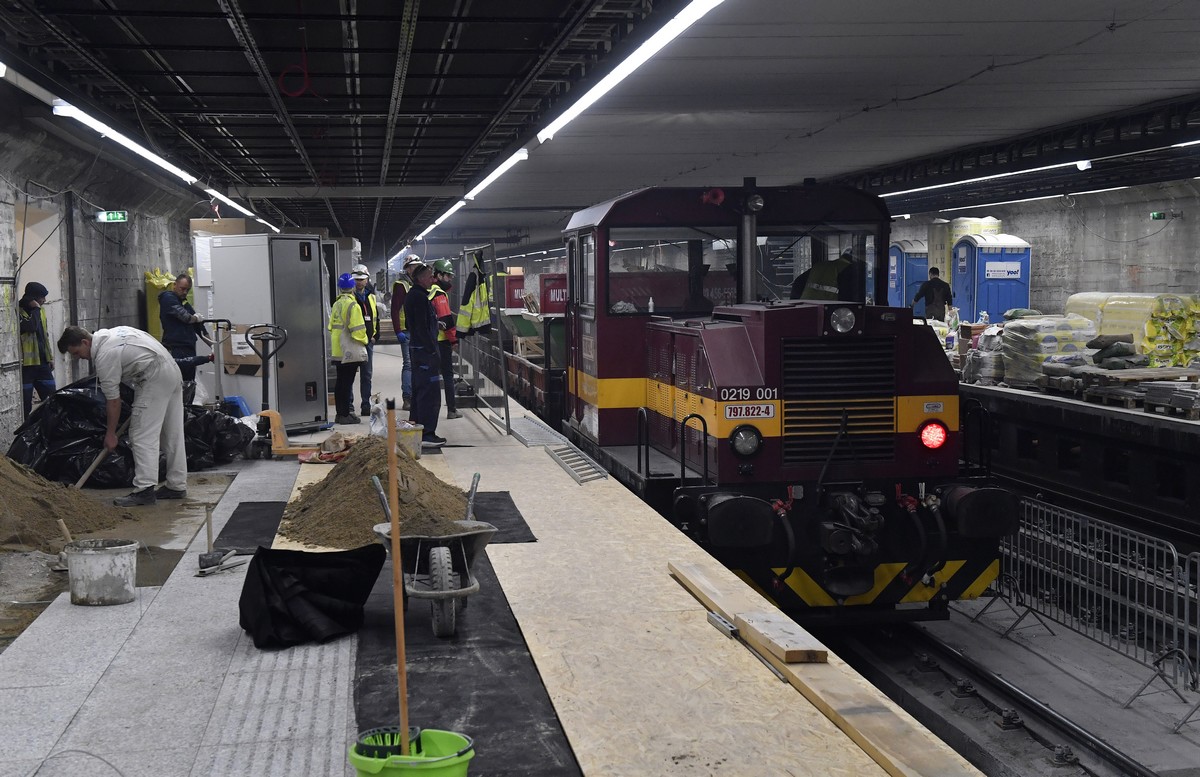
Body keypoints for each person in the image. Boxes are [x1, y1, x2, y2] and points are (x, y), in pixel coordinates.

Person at [57, 325, 187, 507]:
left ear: (85, 342)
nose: (80, 358)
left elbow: (113, 401)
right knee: (172, 433)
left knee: (141, 436)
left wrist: (111, 434)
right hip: (171, 369)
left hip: (152, 376)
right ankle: (177, 485)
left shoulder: (105, 356)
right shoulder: (116, 333)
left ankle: (144, 490)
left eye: (77, 352)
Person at [403, 262, 446, 449]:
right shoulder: (419, 298)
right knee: (430, 394)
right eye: (430, 277)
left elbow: (423, 323)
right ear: (421, 279)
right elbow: (421, 327)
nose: (433, 279)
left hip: (418, 350)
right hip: (424, 353)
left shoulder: (416, 295)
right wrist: (431, 350)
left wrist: (436, 324)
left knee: (420, 392)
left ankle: (417, 429)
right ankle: (427, 433)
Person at [329, 272, 368, 425]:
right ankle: (345, 415)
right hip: (349, 350)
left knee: (341, 382)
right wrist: (365, 340)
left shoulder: (336, 304)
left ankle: (340, 413)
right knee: (347, 383)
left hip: (338, 349)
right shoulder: (353, 305)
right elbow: (357, 330)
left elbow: (331, 326)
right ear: (352, 287)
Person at [158, 273, 213, 381]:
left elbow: (199, 327)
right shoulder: (167, 298)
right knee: (179, 382)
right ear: (175, 285)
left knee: (189, 382)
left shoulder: (183, 303)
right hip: (175, 347)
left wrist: (212, 345)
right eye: (182, 289)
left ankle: (188, 397)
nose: (185, 292)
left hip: (188, 347)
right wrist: (196, 318)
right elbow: (186, 318)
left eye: (187, 290)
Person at [18, 281, 57, 417]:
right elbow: (31, 327)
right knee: (25, 406)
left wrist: (50, 356)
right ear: (34, 298)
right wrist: (35, 309)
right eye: (42, 297)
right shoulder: (18, 312)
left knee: (52, 401)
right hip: (26, 367)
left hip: (42, 365)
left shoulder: (41, 311)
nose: (44, 300)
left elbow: (44, 335)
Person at [390, 256, 423, 410]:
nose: (417, 268)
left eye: (418, 266)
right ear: (408, 268)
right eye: (414, 266)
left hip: (419, 331)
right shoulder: (401, 285)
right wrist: (398, 330)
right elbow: (395, 310)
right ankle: (407, 398)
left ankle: (418, 396)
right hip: (406, 331)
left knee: (419, 364)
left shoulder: (420, 284)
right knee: (409, 364)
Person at [431, 259, 460, 419]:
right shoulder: (439, 295)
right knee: (448, 376)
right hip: (441, 342)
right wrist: (454, 340)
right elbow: (447, 320)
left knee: (433, 376)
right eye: (448, 276)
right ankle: (452, 410)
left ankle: (432, 409)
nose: (450, 279)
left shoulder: (429, 291)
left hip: (430, 341)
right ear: (439, 275)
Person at [351, 263, 379, 416]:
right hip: (352, 342)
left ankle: (365, 404)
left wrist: (376, 336)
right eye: (356, 279)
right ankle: (349, 406)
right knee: (349, 375)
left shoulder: (371, 297)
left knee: (366, 375)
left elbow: (376, 318)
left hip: (368, 342)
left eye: (362, 279)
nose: (359, 282)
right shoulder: (349, 297)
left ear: (367, 280)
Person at [790, 248, 862, 302]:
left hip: (805, 310)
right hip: (829, 314)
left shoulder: (819, 266)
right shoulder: (850, 271)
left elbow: (797, 286)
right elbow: (849, 298)